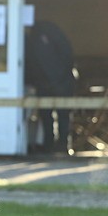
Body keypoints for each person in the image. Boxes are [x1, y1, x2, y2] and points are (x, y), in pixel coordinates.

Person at [24, 19, 76, 154]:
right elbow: (67, 56)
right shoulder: (50, 35)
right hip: (59, 81)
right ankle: (60, 146)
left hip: (49, 82)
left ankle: (52, 145)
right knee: (60, 115)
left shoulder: (35, 38)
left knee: (49, 115)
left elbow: (31, 64)